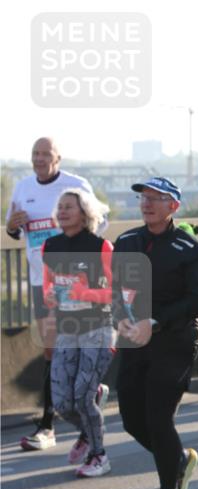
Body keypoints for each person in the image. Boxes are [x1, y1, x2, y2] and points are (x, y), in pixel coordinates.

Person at [111, 177, 198, 489]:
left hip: (176, 338)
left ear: (174, 207)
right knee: (131, 419)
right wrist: (120, 319)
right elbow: (117, 291)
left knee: (158, 415)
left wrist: (154, 322)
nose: (147, 203)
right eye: (143, 197)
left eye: (157, 198)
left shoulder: (191, 249)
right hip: (134, 337)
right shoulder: (125, 242)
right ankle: (178, 460)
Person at [6, 137, 100, 451]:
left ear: (58, 158)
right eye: (35, 153)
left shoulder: (77, 185)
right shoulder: (22, 187)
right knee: (50, 348)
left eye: (46, 153)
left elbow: (101, 223)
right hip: (39, 280)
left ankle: (59, 415)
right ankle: (49, 426)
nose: (40, 158)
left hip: (75, 280)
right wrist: (11, 226)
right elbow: (13, 229)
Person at [42, 189, 116, 477]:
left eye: (68, 207)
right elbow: (49, 286)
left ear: (85, 212)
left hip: (97, 329)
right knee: (62, 402)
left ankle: (99, 456)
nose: (62, 211)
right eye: (59, 207)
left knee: (82, 398)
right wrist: (50, 298)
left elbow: (120, 292)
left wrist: (88, 293)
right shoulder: (51, 246)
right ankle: (87, 432)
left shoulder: (101, 247)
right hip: (66, 330)